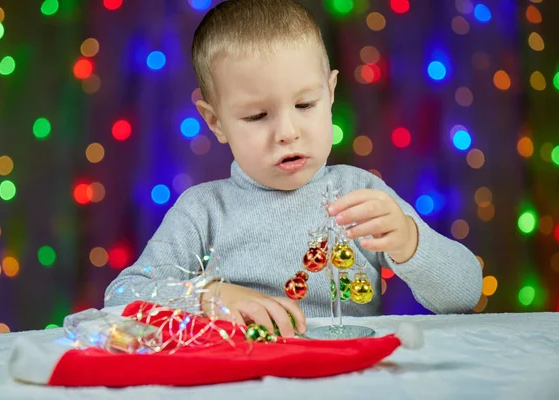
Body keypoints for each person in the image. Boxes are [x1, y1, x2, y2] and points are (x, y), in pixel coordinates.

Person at [105, 0, 483, 338]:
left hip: (348, 380)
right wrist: (206, 297)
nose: (287, 133)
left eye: (305, 105)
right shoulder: (203, 210)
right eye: (257, 115)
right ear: (215, 121)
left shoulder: (360, 193)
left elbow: (465, 294)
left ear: (331, 94)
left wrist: (410, 242)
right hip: (244, 382)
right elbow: (120, 298)